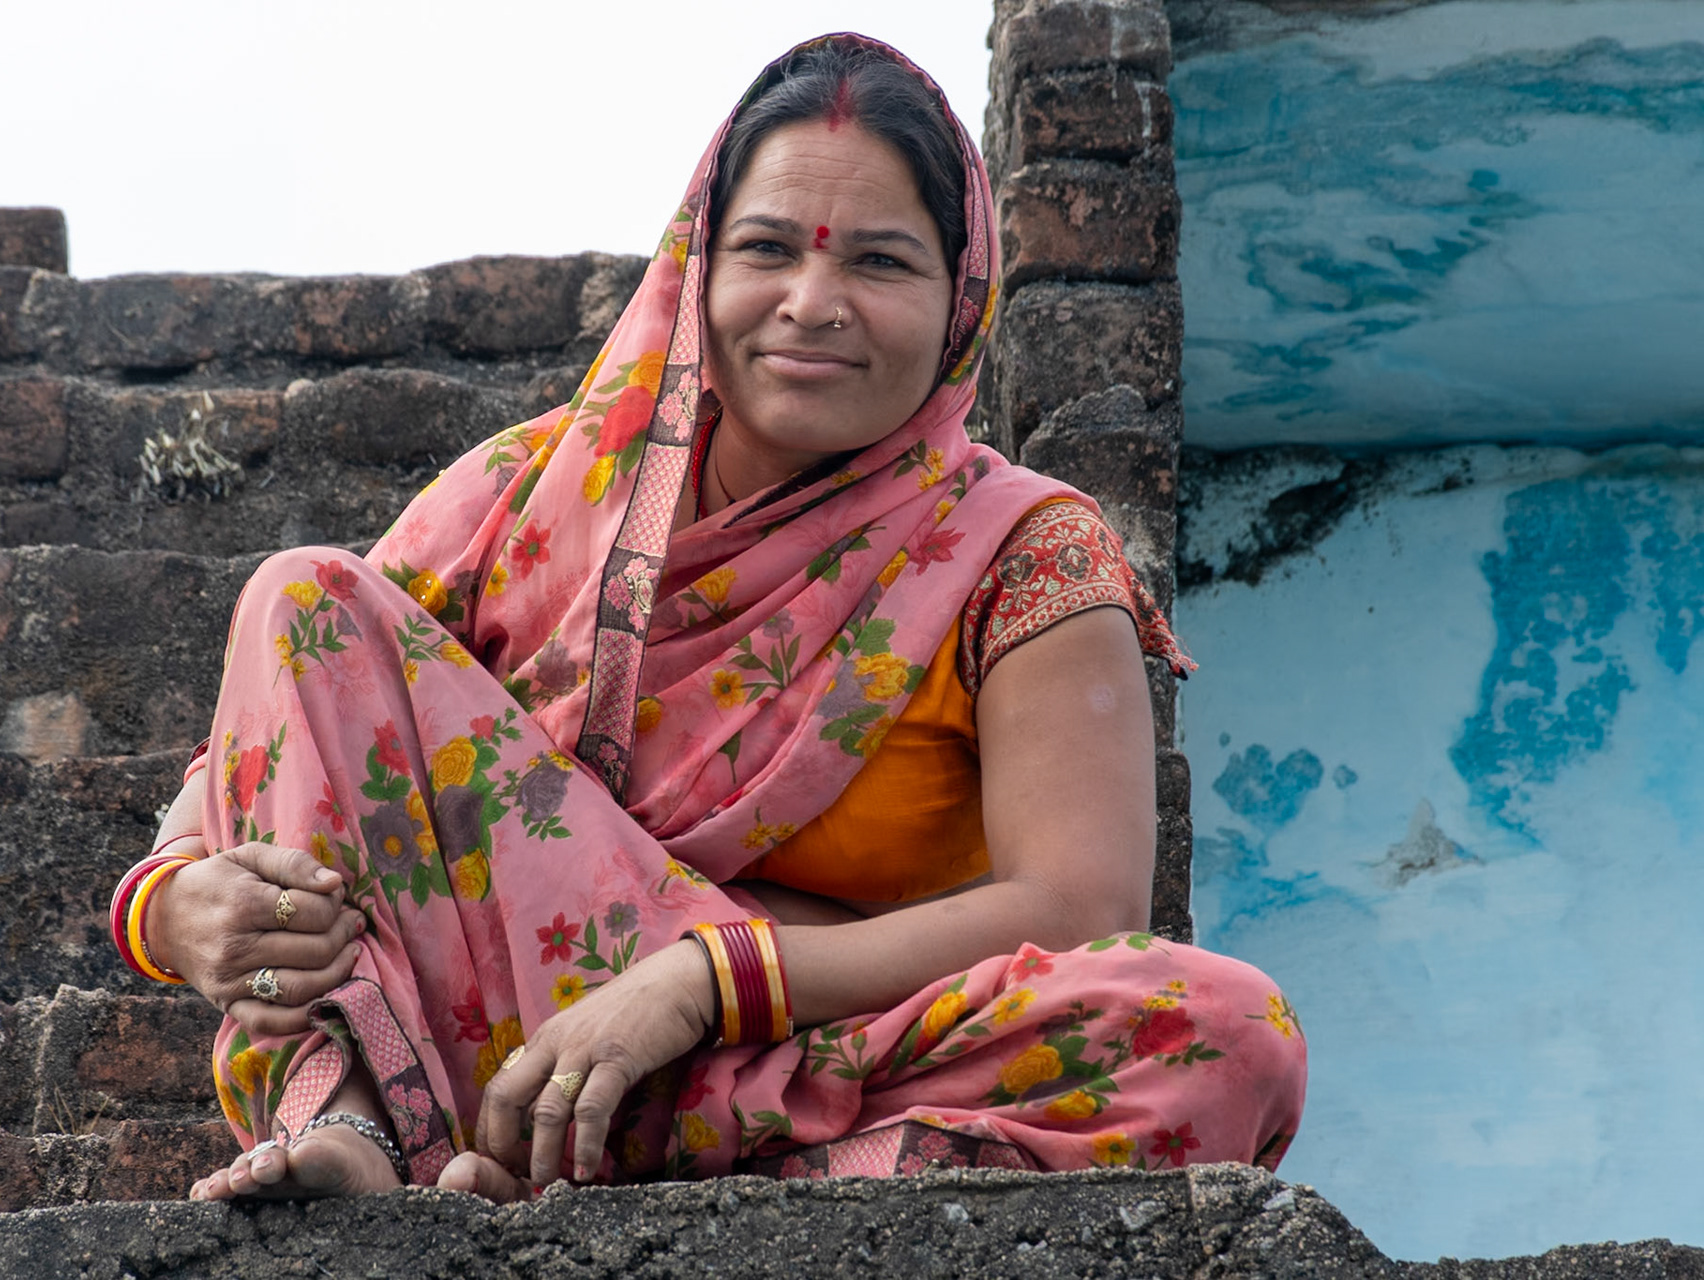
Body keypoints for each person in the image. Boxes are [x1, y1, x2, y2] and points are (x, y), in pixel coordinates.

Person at [109, 33, 1307, 1204]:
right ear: (697, 268)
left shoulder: (1022, 548)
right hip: (495, 1041)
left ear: (961, 300)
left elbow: (1082, 912)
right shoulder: (539, 494)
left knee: (1225, 1034)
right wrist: (169, 908)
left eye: (881, 263)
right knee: (302, 592)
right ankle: (357, 1108)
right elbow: (264, 741)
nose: (813, 303)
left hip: (787, 1063)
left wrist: (707, 975)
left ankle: (623, 1173)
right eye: (768, 248)